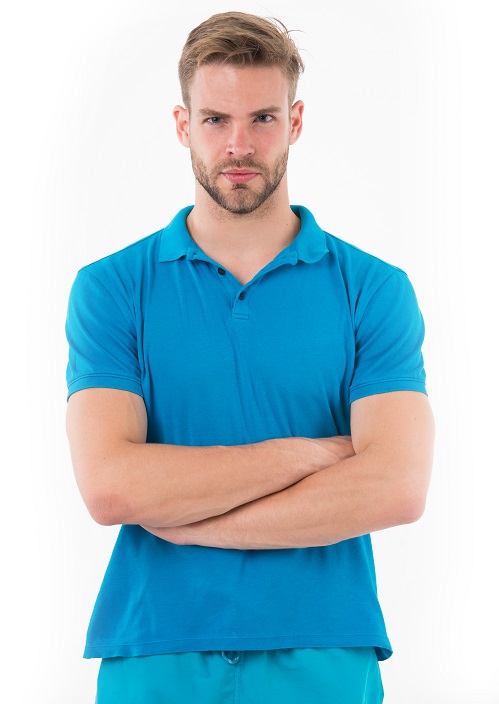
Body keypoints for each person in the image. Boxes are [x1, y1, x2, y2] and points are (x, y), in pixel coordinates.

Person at [65, 10, 434, 704]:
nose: (238, 144)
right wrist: (312, 454)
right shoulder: (112, 288)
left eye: (262, 118)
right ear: (183, 126)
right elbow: (111, 486)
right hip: (155, 645)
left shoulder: (372, 289)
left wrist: (185, 519)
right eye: (215, 120)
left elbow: (397, 486)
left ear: (295, 121)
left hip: (325, 647)